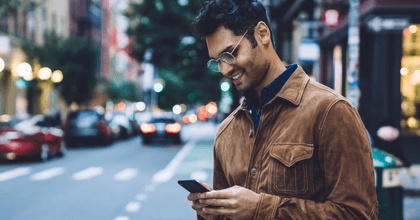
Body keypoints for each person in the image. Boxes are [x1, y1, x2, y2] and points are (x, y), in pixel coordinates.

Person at [187, 0, 378, 219]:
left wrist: (261, 208)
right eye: (218, 61)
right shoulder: (226, 132)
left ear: (262, 34)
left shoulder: (331, 111)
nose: (225, 69)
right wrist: (212, 212)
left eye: (230, 53)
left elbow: (358, 214)